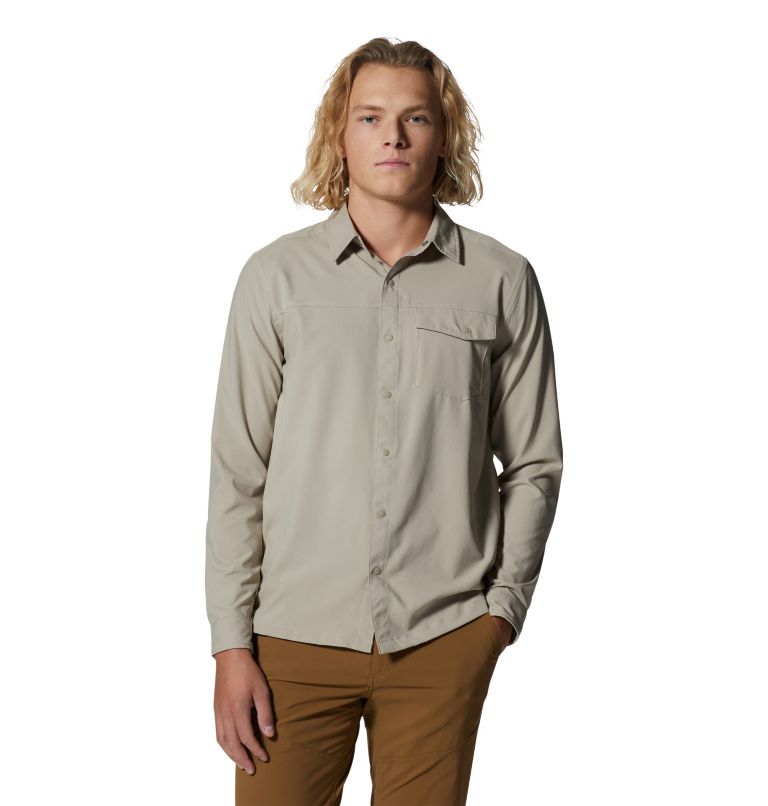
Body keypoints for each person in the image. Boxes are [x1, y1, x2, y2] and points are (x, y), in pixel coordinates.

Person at [205, 37, 564, 805]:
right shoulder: (275, 279)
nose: (393, 137)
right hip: (292, 641)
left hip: (443, 637)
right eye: (370, 117)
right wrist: (231, 646)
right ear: (340, 133)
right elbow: (239, 472)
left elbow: (534, 463)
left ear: (445, 134)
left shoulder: (502, 280)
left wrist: (499, 615)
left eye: (415, 118)